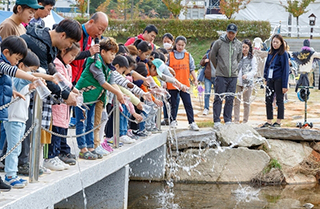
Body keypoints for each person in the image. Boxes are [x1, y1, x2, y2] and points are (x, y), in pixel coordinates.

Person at [18, 18, 81, 174]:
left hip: (28, 91)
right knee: (22, 127)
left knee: (26, 126)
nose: (69, 46)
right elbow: (44, 74)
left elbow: (51, 70)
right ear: (63, 35)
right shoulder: (38, 44)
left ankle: (27, 162)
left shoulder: (47, 42)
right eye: (70, 41)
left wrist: (68, 88)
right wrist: (65, 95)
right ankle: (22, 163)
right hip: (20, 90)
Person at [0, 36, 42, 191]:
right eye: (16, 59)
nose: (16, 63)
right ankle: (10, 175)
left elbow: (6, 85)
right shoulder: (3, 64)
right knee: (13, 148)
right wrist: (32, 77)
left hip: (10, 114)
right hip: (11, 116)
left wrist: (13, 92)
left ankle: (10, 174)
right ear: (6, 52)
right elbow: (12, 71)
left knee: (14, 147)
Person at [75, 38, 124, 160]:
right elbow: (102, 82)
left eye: (114, 54)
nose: (113, 57)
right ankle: (82, 148)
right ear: (103, 52)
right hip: (82, 97)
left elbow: (112, 82)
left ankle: (91, 147)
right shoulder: (95, 63)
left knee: (90, 123)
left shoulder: (108, 66)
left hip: (93, 98)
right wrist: (118, 93)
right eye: (111, 53)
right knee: (82, 122)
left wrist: (120, 93)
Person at [44, 43, 80, 171]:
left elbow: (67, 82)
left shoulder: (68, 66)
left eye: (75, 56)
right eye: (71, 55)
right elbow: (61, 81)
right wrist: (72, 89)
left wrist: (73, 90)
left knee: (63, 129)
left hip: (65, 105)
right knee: (56, 130)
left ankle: (58, 154)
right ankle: (51, 156)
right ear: (63, 51)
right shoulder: (56, 64)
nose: (72, 58)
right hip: (58, 103)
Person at [209, 23, 242, 126]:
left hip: (233, 75)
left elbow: (239, 58)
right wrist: (219, 67)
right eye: (229, 32)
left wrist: (234, 68)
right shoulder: (219, 43)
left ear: (236, 33)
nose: (231, 35)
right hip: (221, 75)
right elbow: (212, 56)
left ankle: (228, 119)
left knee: (230, 98)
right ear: (226, 32)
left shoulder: (238, 44)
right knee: (218, 97)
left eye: (233, 33)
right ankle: (217, 120)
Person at [166, 36, 200, 131]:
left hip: (184, 84)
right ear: (175, 44)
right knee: (173, 103)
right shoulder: (170, 55)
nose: (180, 47)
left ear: (185, 45)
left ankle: (191, 122)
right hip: (172, 84)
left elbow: (192, 68)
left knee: (188, 103)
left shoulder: (188, 56)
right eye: (178, 45)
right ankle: (173, 121)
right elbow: (165, 69)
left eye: (182, 45)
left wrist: (195, 79)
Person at [71, 12, 108, 85]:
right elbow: (68, 55)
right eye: (99, 29)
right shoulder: (75, 32)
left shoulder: (90, 37)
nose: (100, 33)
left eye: (103, 31)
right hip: (67, 75)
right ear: (91, 22)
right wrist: (88, 53)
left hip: (77, 79)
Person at [261, 34, 289, 128]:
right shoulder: (270, 52)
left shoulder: (284, 54)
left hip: (279, 79)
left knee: (279, 100)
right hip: (270, 79)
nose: (275, 44)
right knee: (268, 99)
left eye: (277, 42)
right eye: (273, 42)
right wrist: (265, 77)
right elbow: (266, 66)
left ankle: (278, 121)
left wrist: (285, 85)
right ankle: (269, 121)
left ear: (281, 43)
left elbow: (286, 69)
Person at [233, 39, 257, 123]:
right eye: (243, 47)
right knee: (236, 102)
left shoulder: (252, 58)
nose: (244, 49)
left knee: (246, 102)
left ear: (249, 48)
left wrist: (247, 75)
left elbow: (254, 70)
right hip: (237, 82)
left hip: (247, 83)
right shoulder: (238, 57)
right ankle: (236, 119)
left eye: (246, 47)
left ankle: (245, 120)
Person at [200, 41, 215, 116]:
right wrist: (204, 61)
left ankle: (216, 108)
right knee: (207, 93)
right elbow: (201, 63)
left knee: (217, 94)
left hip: (217, 77)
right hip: (208, 77)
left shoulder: (220, 56)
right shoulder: (207, 55)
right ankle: (206, 108)